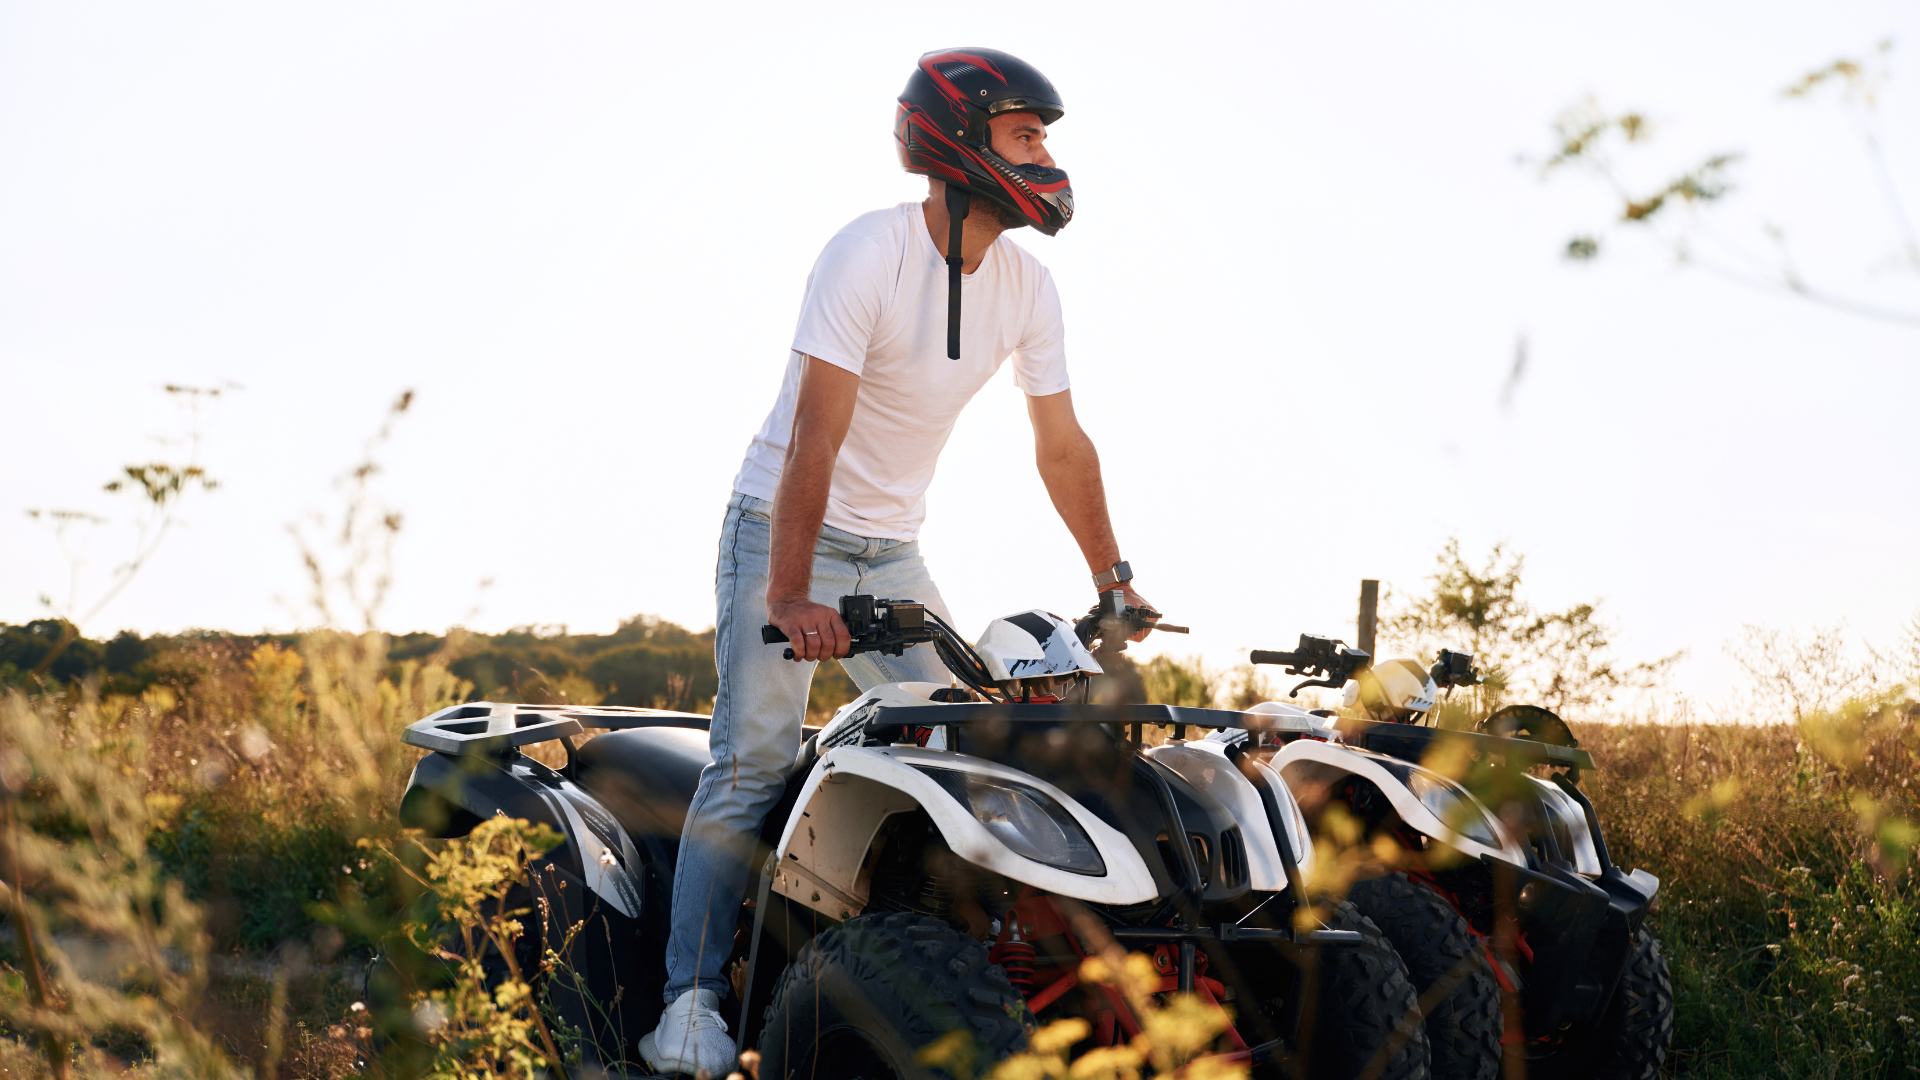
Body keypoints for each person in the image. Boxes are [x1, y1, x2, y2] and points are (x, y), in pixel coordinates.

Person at [639, 46, 1156, 1076]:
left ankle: (925, 968)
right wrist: (791, 594)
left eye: (1044, 136)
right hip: (781, 524)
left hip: (894, 550)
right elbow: (814, 438)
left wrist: (1113, 579)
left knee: (967, 747)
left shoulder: (1029, 286)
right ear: (959, 143)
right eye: (1025, 133)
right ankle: (687, 1005)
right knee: (753, 757)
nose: (1045, 154)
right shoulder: (866, 254)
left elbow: (1060, 445)